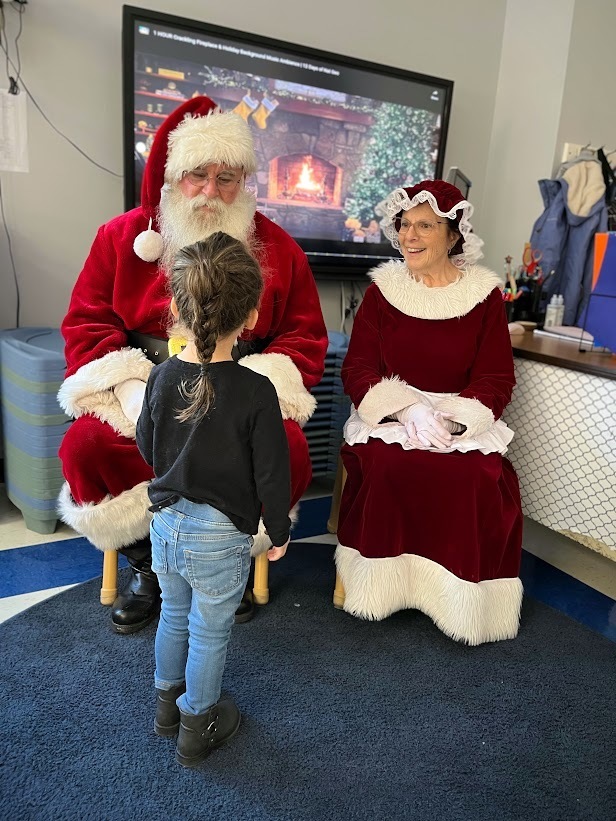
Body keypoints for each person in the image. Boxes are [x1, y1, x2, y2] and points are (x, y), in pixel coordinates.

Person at [57, 96, 328, 632]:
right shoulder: (121, 238)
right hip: (141, 394)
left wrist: (253, 392)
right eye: (196, 175)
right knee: (85, 447)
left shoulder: (278, 248)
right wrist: (133, 390)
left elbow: (303, 336)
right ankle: (147, 563)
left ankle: (227, 560)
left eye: (227, 178)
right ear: (171, 176)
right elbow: (87, 324)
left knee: (292, 449)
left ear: (244, 181)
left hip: (241, 390)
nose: (211, 191)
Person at [335, 180, 523, 645]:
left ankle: (455, 602)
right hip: (394, 411)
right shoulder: (383, 293)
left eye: (425, 225)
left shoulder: (485, 297)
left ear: (454, 235)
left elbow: (497, 376)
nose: (410, 236)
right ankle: (383, 590)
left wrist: (454, 419)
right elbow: (358, 367)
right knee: (388, 463)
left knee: (477, 475)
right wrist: (405, 411)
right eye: (404, 225)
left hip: (457, 416)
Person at [136, 233, 290, 767]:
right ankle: (197, 725)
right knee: (208, 631)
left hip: (165, 524)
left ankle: (164, 710)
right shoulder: (257, 391)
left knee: (172, 616)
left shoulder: (160, 375)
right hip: (220, 537)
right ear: (250, 315)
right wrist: (281, 533)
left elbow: (145, 445)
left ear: (176, 307)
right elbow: (273, 473)